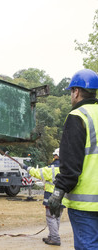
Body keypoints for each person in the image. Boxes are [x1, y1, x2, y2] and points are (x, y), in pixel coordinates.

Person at [48, 69, 98, 249]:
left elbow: (70, 163)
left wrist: (58, 192)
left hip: (86, 205)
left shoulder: (78, 116)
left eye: (71, 92)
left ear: (76, 92)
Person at [23, 148, 64, 246]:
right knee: (57, 217)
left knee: (51, 217)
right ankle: (52, 236)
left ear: (55, 156)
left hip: (51, 196)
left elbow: (37, 172)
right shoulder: (66, 168)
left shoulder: (51, 168)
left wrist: (26, 167)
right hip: (62, 197)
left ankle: (54, 238)